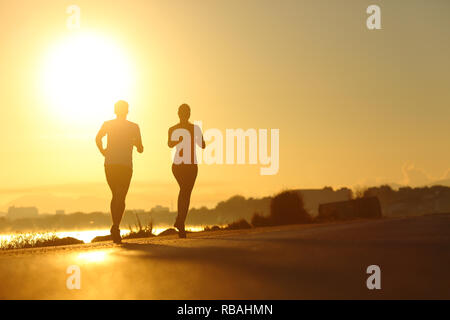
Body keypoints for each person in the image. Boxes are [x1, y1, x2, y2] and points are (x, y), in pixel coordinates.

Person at [96, 100, 143, 243]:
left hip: (110, 164)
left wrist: (103, 151)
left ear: (115, 110)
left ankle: (115, 227)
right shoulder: (133, 127)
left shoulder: (108, 124)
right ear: (127, 110)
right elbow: (140, 148)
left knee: (116, 194)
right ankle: (115, 226)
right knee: (120, 195)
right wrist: (136, 144)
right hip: (124, 165)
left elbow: (98, 138)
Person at [168, 104, 205, 238]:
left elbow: (202, 144)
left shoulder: (193, 128)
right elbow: (170, 144)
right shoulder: (187, 128)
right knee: (185, 190)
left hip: (189, 165)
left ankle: (180, 221)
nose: (184, 115)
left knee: (185, 192)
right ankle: (180, 222)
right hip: (180, 165)